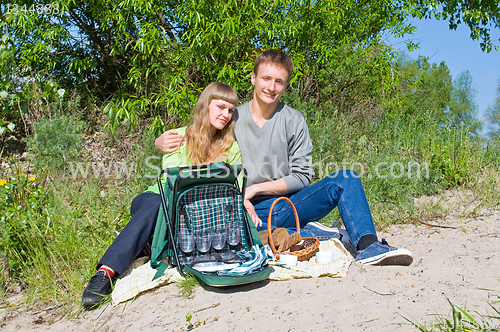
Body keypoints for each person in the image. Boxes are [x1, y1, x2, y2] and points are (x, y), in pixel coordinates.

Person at [155, 50, 413, 267]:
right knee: (261, 241)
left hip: (287, 204)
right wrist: (160, 142)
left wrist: (256, 187)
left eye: (279, 81)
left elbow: (302, 176)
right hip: (243, 211)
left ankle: (368, 247)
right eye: (266, 78)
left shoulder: (294, 120)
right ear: (254, 78)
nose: (271, 87)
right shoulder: (232, 117)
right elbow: (201, 136)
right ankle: (317, 233)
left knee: (346, 178)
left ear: (285, 86)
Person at [82, 82, 241, 306]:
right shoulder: (177, 136)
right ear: (206, 106)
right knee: (157, 205)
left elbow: (235, 186)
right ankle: (106, 272)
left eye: (230, 110)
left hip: (201, 212)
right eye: (221, 107)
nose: (226, 114)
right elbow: (173, 182)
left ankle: (148, 243)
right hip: (159, 200)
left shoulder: (230, 146)